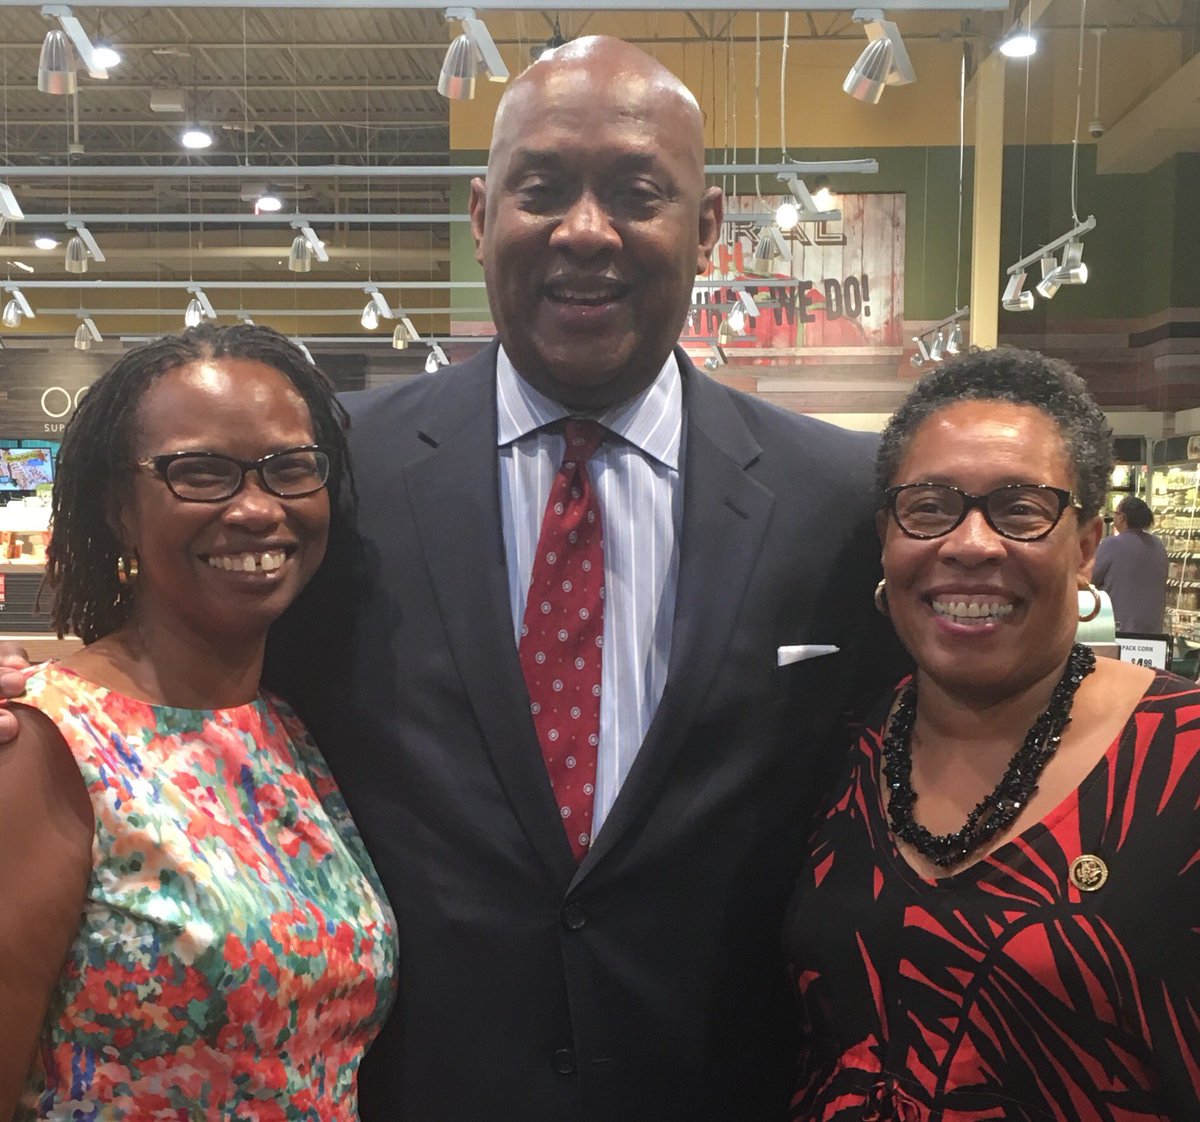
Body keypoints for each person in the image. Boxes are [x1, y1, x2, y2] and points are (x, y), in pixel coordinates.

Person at [1, 38, 902, 1120]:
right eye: (541, 189)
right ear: (481, 214)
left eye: (637, 193)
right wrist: (35, 706)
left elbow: (934, 740)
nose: (584, 230)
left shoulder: (840, 500)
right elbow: (183, 669)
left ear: (707, 226)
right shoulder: (328, 478)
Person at [784, 348, 1200, 1120]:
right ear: (886, 537)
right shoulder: (841, 748)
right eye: (929, 507)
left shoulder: (1182, 759)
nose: (971, 543)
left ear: (1085, 546)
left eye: (1021, 509)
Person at [0, 324, 396, 1119]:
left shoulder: (285, 730)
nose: (256, 508)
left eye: (290, 468)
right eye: (201, 473)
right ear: (119, 507)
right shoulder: (46, 743)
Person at [1093, 494, 1169, 633]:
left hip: (1118, 627)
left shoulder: (1112, 544)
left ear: (1121, 517)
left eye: (1115, 513)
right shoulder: (1158, 545)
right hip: (1153, 629)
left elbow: (1091, 579)